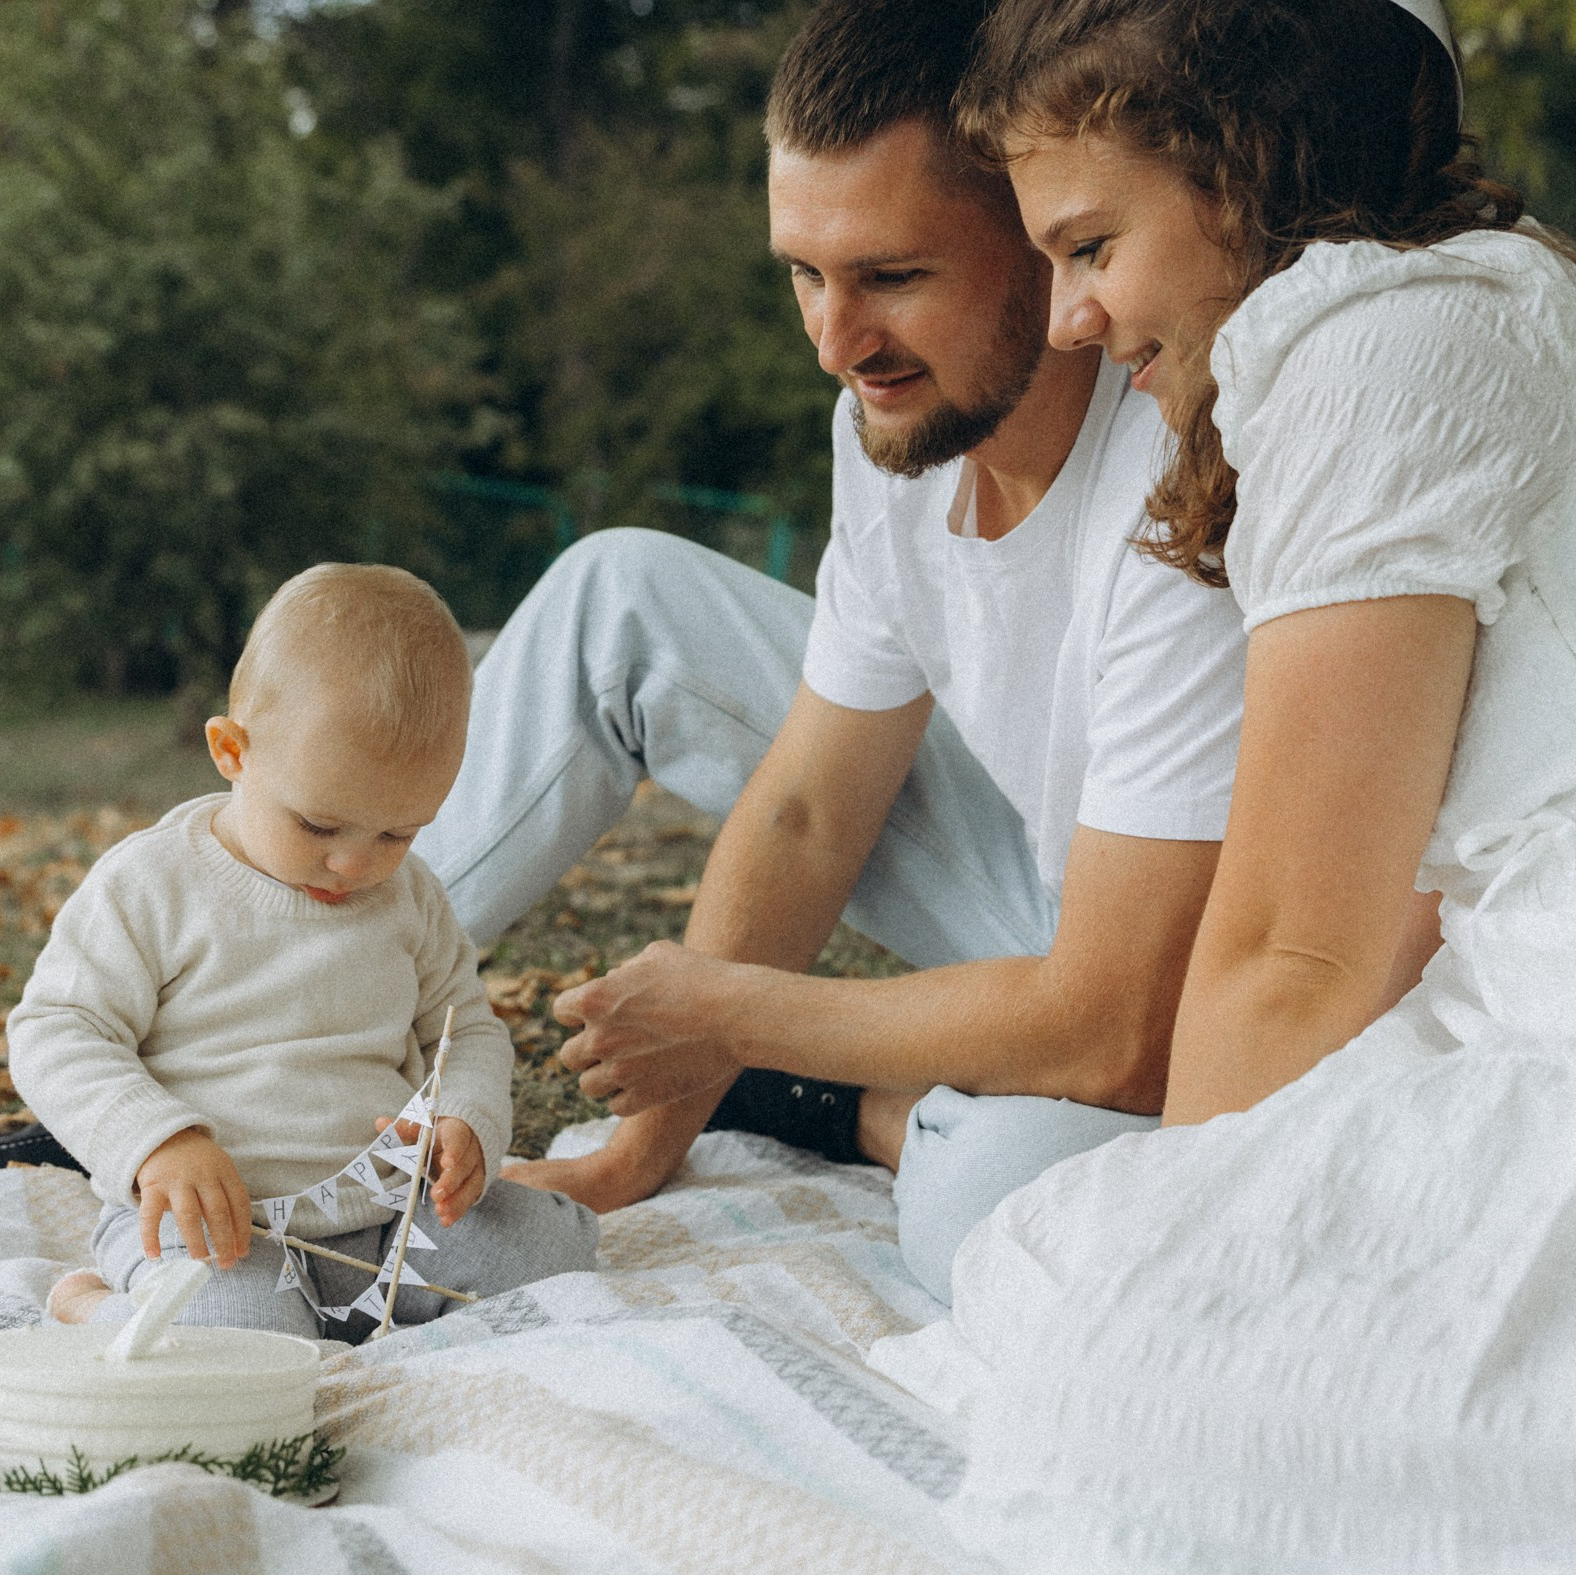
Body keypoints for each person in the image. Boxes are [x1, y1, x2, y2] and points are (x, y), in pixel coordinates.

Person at [867, 0, 1576, 1575]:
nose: (1073, 317)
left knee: (1105, 1315)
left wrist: (1188, 1228)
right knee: (1025, 1208)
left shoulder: (1389, 347)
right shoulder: (1441, 307)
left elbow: (1296, 946)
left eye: (1091, 245)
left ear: (1249, 173)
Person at [417, 0, 1250, 1302]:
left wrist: (739, 1021)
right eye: (804, 272)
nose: (836, 340)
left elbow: (1127, 1024)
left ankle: (849, 1101)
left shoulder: (1176, 476)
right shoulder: (887, 424)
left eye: (892, 276)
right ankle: (269, 974)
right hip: (1042, 895)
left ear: (1046, 238)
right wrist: (645, 1140)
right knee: (616, 586)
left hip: (1186, 985)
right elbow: (812, 806)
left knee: (995, 1183)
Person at [8, 564, 597, 1338]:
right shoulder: (153, 883)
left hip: (389, 1223)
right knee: (239, 1337)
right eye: (319, 826)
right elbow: (56, 1029)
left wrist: (465, 1116)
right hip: (219, 1230)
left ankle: (341, 1309)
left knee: (548, 1251)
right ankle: (96, 1306)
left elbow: (466, 1030)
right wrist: (159, 1140)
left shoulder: (409, 897)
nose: (355, 864)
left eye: (398, 831)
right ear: (232, 751)